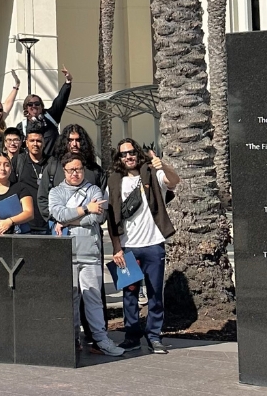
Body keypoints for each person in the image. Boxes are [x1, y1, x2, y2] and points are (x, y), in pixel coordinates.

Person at [107, 139, 180, 355]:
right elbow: (111, 218)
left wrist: (162, 164)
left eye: (131, 153)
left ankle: (154, 336)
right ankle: (132, 337)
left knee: (155, 293)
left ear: (138, 154)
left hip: (153, 245)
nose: (128, 157)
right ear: (119, 158)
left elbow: (175, 180)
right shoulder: (113, 180)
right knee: (130, 294)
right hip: (128, 247)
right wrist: (116, 248)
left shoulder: (151, 173)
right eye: (123, 154)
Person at [48, 152, 123, 357]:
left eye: (79, 169)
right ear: (64, 171)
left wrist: (68, 220)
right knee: (70, 299)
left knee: (93, 298)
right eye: (71, 170)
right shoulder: (56, 192)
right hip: (67, 254)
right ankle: (71, 339)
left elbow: (98, 218)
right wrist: (84, 209)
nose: (75, 173)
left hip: (90, 254)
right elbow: (58, 213)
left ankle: (100, 339)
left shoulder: (95, 190)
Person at [38, 124, 106, 226]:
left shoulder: (95, 170)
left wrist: (71, 222)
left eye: (78, 140)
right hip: (60, 231)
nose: (74, 144)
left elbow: (102, 206)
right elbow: (42, 198)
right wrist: (56, 221)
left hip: (90, 233)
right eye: (70, 140)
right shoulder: (53, 168)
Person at [18, 67, 73, 155]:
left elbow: (60, 100)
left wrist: (68, 82)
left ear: (42, 105)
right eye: (30, 104)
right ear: (26, 108)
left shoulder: (51, 116)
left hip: (53, 163)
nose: (34, 106)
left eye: (37, 104)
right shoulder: (22, 126)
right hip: (33, 165)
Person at [12, 129, 52, 234]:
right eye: (32, 140)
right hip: (24, 223)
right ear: (26, 143)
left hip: (48, 222)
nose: (35, 144)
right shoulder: (18, 161)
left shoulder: (52, 163)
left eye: (38, 141)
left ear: (44, 143)